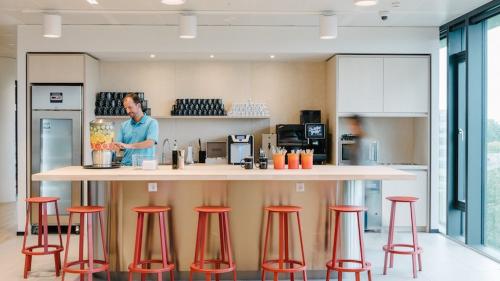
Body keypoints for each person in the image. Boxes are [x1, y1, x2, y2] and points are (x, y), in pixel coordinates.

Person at [114, 93, 159, 166]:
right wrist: (113, 147)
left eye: (130, 107)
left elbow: (150, 143)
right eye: (126, 108)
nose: (128, 111)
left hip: (145, 167)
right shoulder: (124, 125)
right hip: (126, 167)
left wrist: (128, 146)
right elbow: (119, 147)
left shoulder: (152, 123)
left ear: (138, 105)